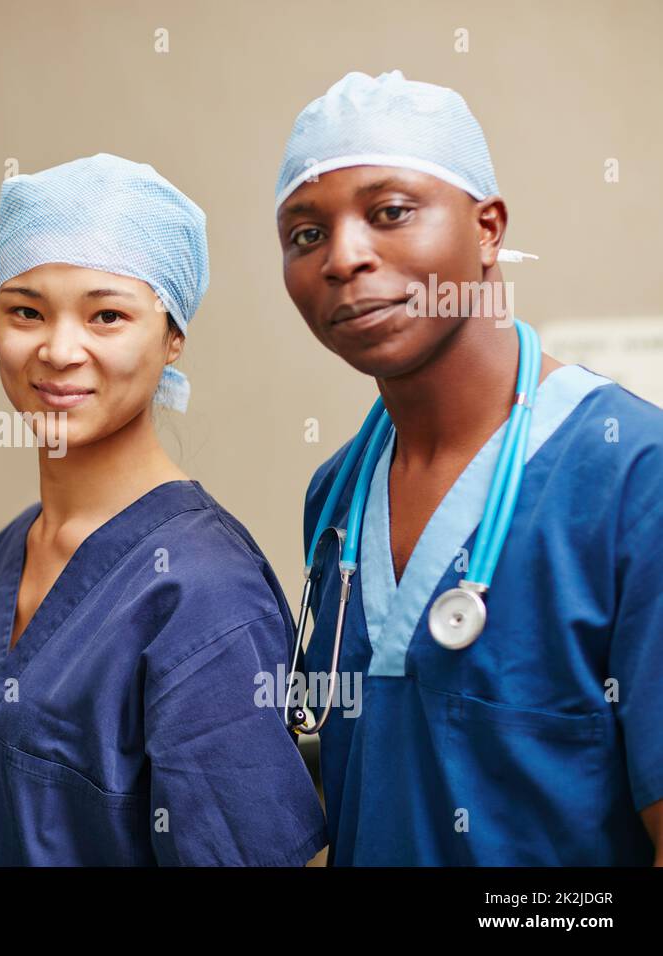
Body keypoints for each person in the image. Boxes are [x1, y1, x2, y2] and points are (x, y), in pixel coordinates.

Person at [276, 70, 663, 865]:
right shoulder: (337, 498)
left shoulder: (633, 477)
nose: (344, 257)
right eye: (306, 233)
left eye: (389, 213)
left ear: (488, 228)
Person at [0, 153, 327, 866]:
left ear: (172, 337)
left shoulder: (202, 593)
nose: (57, 349)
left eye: (107, 315)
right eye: (25, 310)